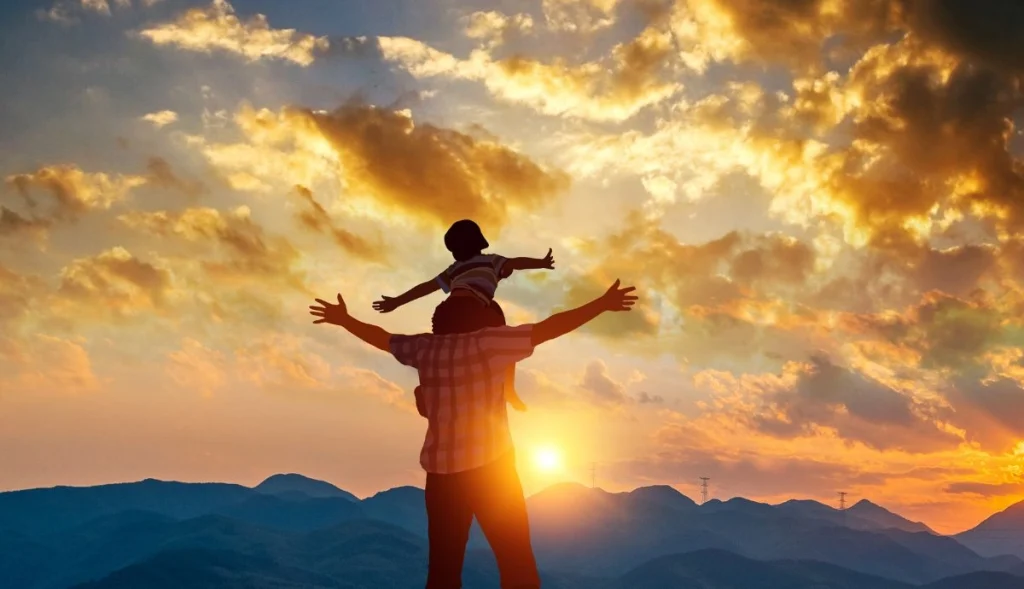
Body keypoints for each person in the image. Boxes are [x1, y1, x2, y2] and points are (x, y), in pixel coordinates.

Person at [309, 279, 638, 589]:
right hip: (492, 472)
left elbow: (380, 336)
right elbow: (550, 328)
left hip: (441, 478)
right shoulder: (490, 344)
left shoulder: (424, 348)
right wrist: (601, 304)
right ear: (478, 320)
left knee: (443, 572)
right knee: (517, 565)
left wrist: (344, 319)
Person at [371, 219, 555, 412]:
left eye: (455, 248)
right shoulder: (483, 263)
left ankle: (432, 390)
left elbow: (515, 263)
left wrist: (540, 262)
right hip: (465, 312)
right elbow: (426, 287)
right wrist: (396, 301)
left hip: (447, 314)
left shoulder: (476, 264)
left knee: (444, 354)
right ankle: (506, 387)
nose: (454, 253)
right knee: (505, 337)